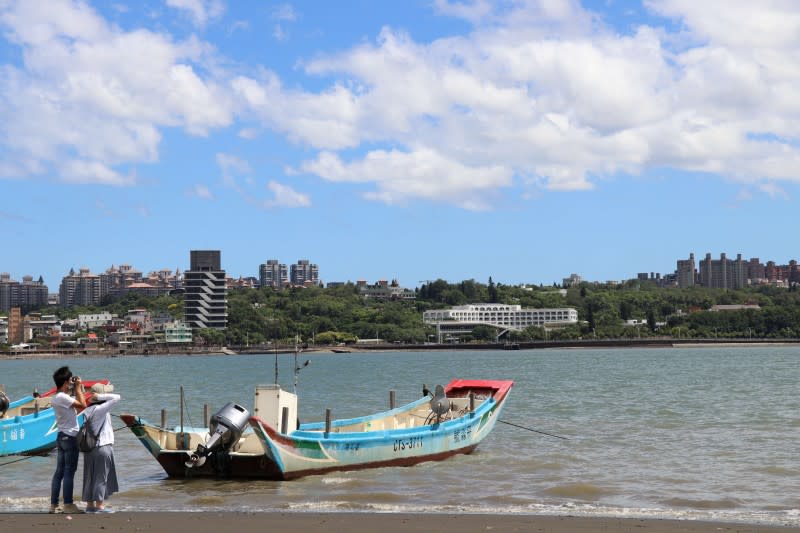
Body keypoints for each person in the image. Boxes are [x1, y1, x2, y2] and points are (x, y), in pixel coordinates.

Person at [49, 366, 86, 514]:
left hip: (61, 436)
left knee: (59, 472)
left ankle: (54, 505)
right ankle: (69, 505)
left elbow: (76, 409)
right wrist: (78, 388)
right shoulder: (63, 397)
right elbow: (83, 405)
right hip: (70, 437)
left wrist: (75, 389)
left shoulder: (57, 397)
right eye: (70, 381)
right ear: (65, 382)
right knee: (69, 472)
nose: (71, 383)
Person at [81, 383, 121, 513]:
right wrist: (100, 396)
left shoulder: (86, 410)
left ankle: (90, 506)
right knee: (101, 477)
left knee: (89, 477)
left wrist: (96, 397)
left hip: (89, 448)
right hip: (103, 447)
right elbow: (117, 397)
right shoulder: (101, 409)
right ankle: (99, 506)